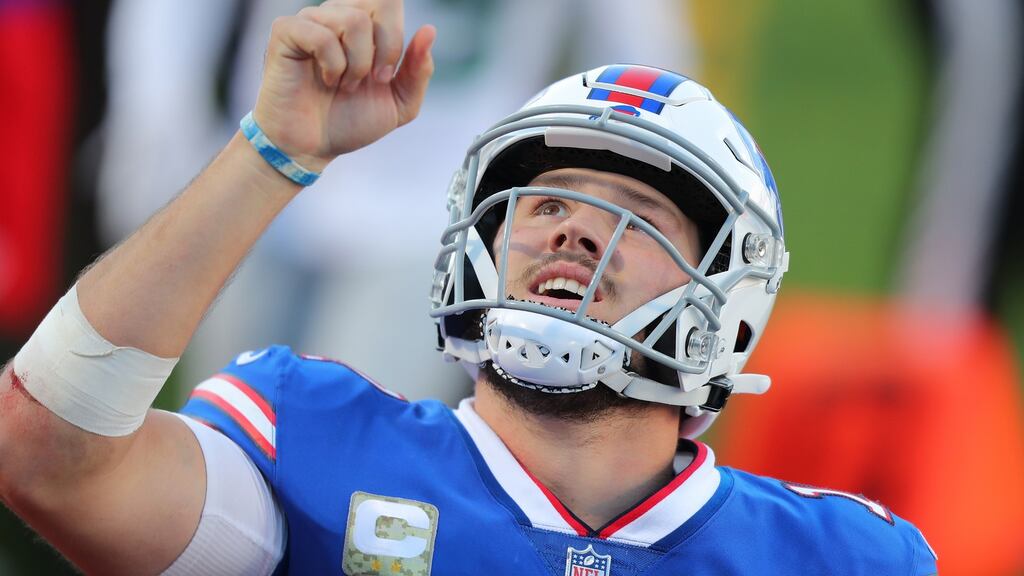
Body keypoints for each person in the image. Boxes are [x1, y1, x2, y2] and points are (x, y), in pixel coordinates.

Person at [0, 1, 937, 574]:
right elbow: (47, 452)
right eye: (541, 202)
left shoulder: (846, 558)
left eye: (632, 211)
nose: (570, 225)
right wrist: (272, 152)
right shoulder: (312, 451)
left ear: (723, 297)